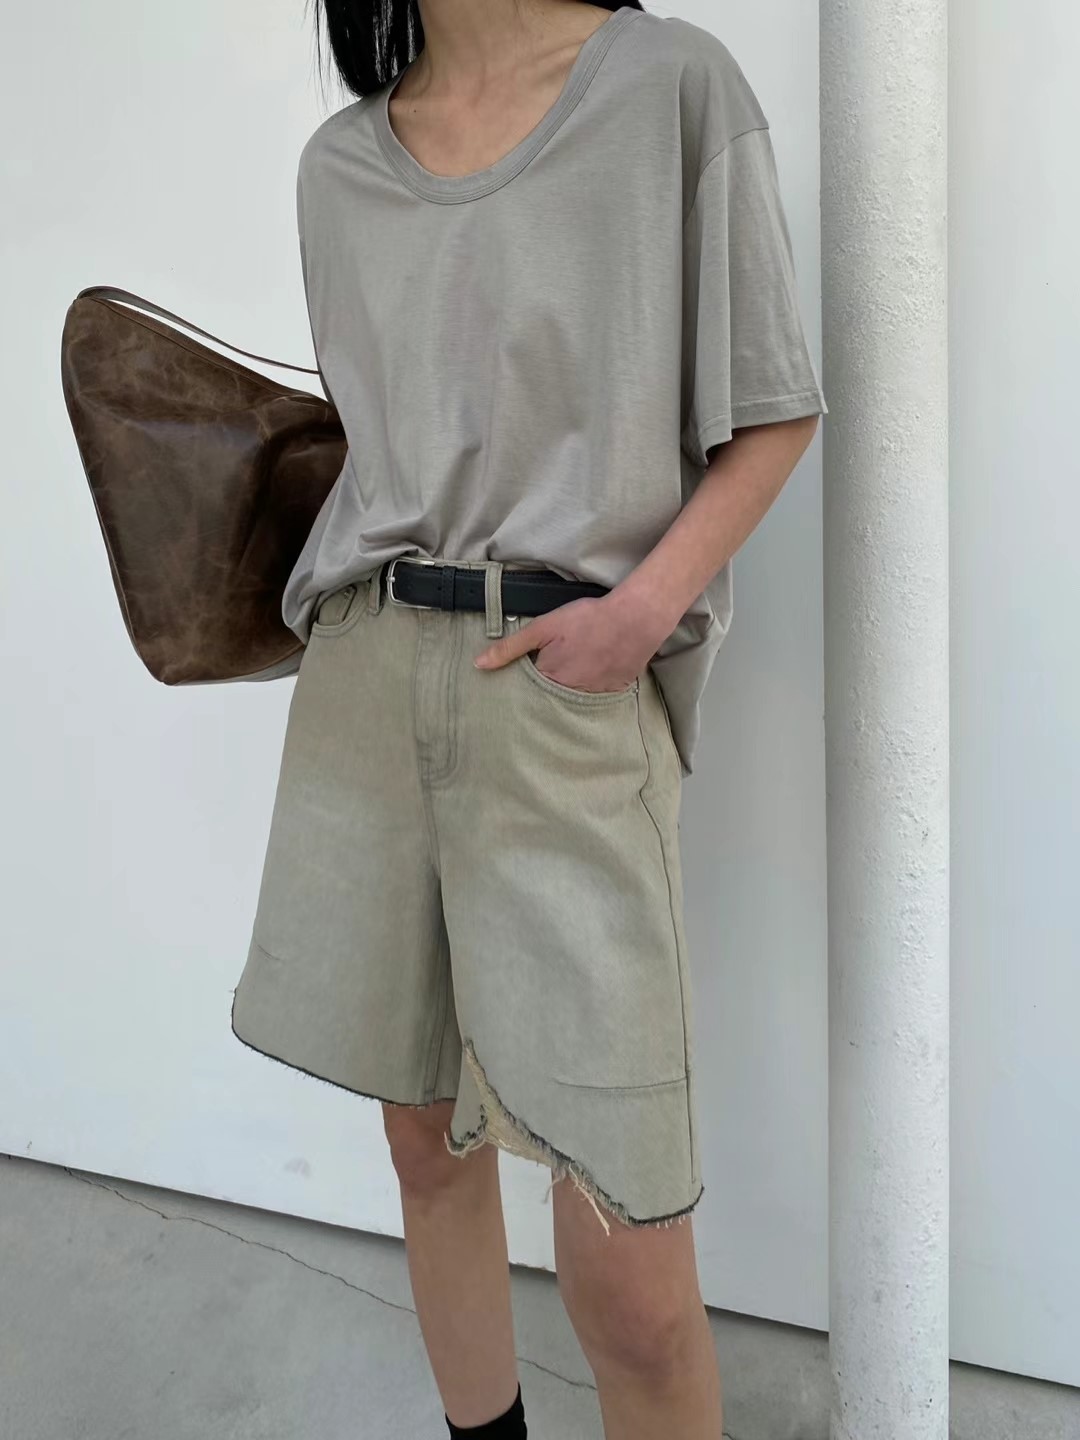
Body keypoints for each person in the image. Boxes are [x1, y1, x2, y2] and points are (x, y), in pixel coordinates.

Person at [231, 1, 827, 1435]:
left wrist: (639, 615)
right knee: (423, 1147)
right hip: (368, 687)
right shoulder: (338, 166)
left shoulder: (670, 86)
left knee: (630, 1265)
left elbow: (774, 409)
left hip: (566, 694)